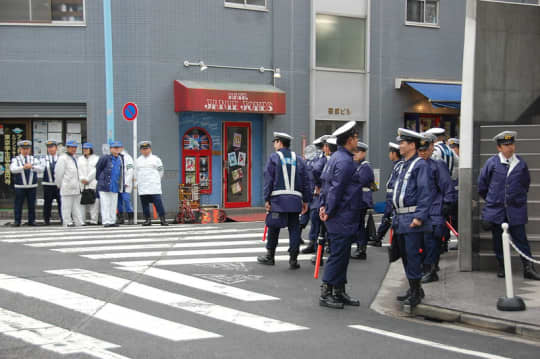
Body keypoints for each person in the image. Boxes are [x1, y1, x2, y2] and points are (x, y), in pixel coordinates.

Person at [478, 131, 540, 280]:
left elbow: (525, 183)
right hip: (497, 210)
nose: (510, 147)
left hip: (516, 209)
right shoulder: (491, 163)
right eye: (506, 145)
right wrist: (493, 199)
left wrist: (517, 198)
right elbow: (482, 185)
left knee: (521, 239)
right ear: (499, 148)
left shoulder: (520, 163)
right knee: (498, 240)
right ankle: (502, 266)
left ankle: (528, 267)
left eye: (511, 144)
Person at [318, 121, 361, 309]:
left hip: (337, 214)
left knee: (342, 254)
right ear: (349, 140)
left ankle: (339, 290)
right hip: (342, 215)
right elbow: (336, 189)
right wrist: (328, 209)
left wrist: (323, 206)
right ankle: (327, 292)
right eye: (356, 137)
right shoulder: (344, 161)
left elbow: (324, 185)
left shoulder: (335, 157)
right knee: (338, 254)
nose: (357, 140)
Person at [257, 132, 311, 269]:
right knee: (294, 229)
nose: (274, 145)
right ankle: (293, 260)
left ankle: (270, 256)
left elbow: (268, 180)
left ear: (279, 143)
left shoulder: (274, 157)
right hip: (295, 202)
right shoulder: (299, 159)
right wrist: (306, 200)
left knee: (274, 227)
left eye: (275, 142)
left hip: (277, 202)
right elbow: (306, 181)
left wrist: (266, 199)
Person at [392, 128, 434, 308]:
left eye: (402, 142)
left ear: (412, 145)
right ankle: (413, 288)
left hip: (411, 217)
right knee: (405, 256)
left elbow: (425, 192)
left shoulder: (420, 165)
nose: (399, 146)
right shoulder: (403, 165)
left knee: (412, 256)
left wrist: (419, 217)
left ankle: (416, 292)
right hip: (400, 217)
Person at [417, 133, 455, 283]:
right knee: (420, 242)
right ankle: (424, 268)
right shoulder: (415, 165)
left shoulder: (437, 165)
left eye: (425, 149)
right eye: (420, 150)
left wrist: (447, 204)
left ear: (432, 147)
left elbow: (447, 186)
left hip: (435, 210)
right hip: (420, 210)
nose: (423, 152)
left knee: (432, 241)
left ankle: (431, 270)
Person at [302, 135, 329, 255]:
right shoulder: (320, 159)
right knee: (315, 218)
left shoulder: (328, 159)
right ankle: (314, 243)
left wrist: (319, 185)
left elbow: (315, 172)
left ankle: (322, 245)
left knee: (321, 220)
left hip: (326, 193)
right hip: (317, 194)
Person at [10, 140, 44, 226]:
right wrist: (23, 167)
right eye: (23, 149)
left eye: (27, 149)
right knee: (18, 204)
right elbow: (13, 169)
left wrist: (32, 166)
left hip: (32, 186)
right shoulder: (16, 159)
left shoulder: (33, 159)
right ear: (20, 149)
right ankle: (17, 221)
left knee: (31, 204)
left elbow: (41, 169)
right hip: (19, 186)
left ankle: (31, 221)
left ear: (30, 149)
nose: (25, 150)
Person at [350, 141, 375, 260]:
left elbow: (360, 182)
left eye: (357, 152)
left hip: (362, 200)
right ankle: (359, 247)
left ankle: (361, 249)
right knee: (357, 224)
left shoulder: (365, 167)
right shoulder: (358, 165)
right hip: (358, 200)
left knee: (359, 225)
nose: (355, 154)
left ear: (363, 153)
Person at [375, 142, 403, 244]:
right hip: (390, 196)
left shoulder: (399, 165)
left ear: (394, 153)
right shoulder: (396, 165)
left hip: (392, 197)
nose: (389, 155)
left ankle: (378, 237)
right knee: (387, 217)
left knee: (388, 217)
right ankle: (378, 237)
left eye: (390, 152)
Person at [135, 140, 168, 226]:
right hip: (143, 186)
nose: (145, 150)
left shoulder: (156, 159)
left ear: (150, 149)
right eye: (143, 149)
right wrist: (137, 183)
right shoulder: (138, 160)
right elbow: (135, 173)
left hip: (154, 186)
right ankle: (147, 220)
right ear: (140, 150)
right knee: (145, 205)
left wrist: (156, 180)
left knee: (158, 204)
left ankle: (163, 219)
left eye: (147, 148)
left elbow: (161, 171)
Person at [96, 141, 125, 227]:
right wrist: (101, 180)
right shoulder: (105, 158)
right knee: (105, 204)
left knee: (113, 204)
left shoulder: (120, 158)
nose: (116, 149)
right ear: (110, 149)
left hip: (115, 185)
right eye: (114, 148)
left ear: (120, 149)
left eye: (118, 148)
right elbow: (98, 169)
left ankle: (112, 220)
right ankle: (106, 221)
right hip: (105, 184)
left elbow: (121, 173)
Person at [55, 140, 84, 227]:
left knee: (76, 207)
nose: (73, 149)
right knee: (66, 207)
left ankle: (78, 221)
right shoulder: (62, 158)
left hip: (76, 187)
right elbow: (58, 173)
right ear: (67, 148)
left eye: (75, 147)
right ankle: (67, 222)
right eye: (71, 147)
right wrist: (59, 185)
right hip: (67, 186)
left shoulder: (75, 158)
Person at [78, 142, 100, 225]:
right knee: (82, 203)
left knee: (94, 203)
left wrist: (88, 179)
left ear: (91, 149)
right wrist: (82, 179)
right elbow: (78, 170)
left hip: (92, 183)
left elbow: (95, 170)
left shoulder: (96, 158)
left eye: (87, 149)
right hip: (82, 184)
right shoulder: (79, 159)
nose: (85, 150)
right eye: (84, 149)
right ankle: (82, 221)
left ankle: (94, 220)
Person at [41, 140, 61, 225]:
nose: (51, 149)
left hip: (59, 185)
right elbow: (40, 169)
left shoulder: (61, 158)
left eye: (52, 147)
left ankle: (63, 218)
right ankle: (46, 219)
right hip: (48, 184)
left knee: (61, 202)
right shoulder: (43, 159)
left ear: (56, 148)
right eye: (49, 147)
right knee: (47, 203)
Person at [117, 146, 135, 225]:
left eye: (118, 147)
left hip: (125, 184)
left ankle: (130, 218)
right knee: (118, 202)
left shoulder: (127, 157)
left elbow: (130, 170)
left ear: (122, 148)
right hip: (117, 184)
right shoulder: (115, 157)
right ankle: (120, 218)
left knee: (127, 201)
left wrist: (126, 182)